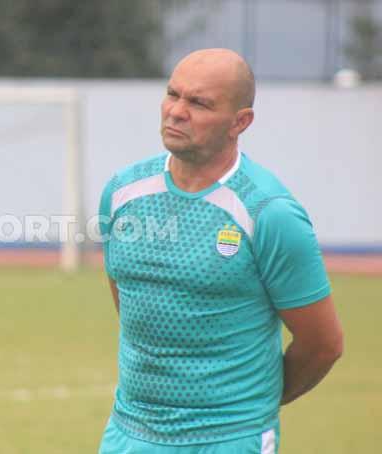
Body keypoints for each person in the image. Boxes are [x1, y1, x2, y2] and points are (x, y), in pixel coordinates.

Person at [97, 48, 343, 453]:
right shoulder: (123, 193)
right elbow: (130, 301)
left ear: (240, 122)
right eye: (172, 94)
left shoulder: (269, 213)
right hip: (129, 434)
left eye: (198, 103)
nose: (176, 111)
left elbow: (324, 344)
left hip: (227, 440)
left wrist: (253, 405)